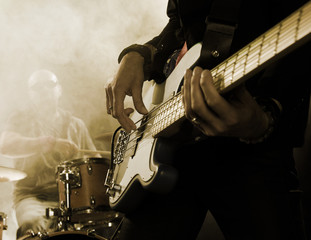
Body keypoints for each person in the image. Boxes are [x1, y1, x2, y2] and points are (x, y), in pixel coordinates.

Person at [105, 0, 311, 239]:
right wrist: (140, 53)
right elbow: (181, 26)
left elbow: (299, 45)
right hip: (174, 150)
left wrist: (268, 116)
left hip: (251, 152)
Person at [0, 69, 97, 239]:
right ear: (30, 94)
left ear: (59, 90)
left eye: (49, 84)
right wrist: (49, 143)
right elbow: (6, 146)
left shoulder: (76, 125)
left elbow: (95, 163)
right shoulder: (20, 119)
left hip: (74, 200)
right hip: (32, 197)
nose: (44, 90)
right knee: (32, 224)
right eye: (37, 87)